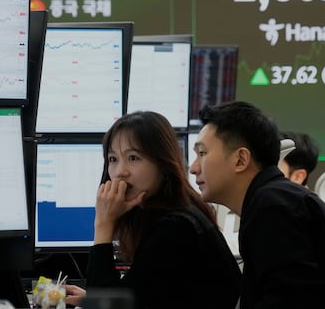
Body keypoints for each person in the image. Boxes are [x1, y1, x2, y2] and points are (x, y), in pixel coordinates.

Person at [189, 101, 325, 309]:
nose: (193, 168)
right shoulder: (273, 199)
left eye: (202, 153)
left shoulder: (273, 207)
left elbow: (291, 300)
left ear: (241, 160)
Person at [65, 110, 241, 309]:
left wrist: (103, 224)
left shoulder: (174, 229)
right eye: (113, 159)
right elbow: (146, 295)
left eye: (133, 158)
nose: (120, 172)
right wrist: (95, 296)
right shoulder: (177, 213)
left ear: (162, 163)